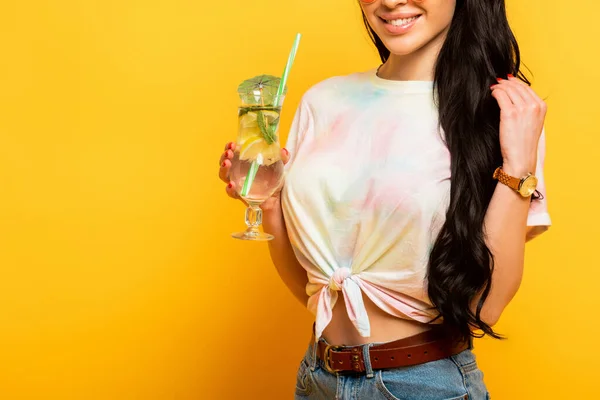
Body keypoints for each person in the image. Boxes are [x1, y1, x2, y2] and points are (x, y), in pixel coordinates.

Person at [219, 0, 551, 398]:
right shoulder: (322, 100)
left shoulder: (501, 115)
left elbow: (488, 307)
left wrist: (518, 164)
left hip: (422, 384)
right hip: (317, 376)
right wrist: (267, 202)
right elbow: (315, 287)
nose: (391, 1)